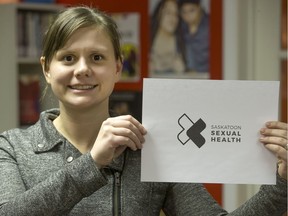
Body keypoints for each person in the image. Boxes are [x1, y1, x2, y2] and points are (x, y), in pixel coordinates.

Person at [0, 5, 287, 215]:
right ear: (47, 69)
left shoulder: (153, 149)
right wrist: (93, 163)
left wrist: (283, 183)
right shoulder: (12, 147)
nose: (83, 69)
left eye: (97, 57)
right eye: (68, 58)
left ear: (116, 68)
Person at [150, 0, 185, 76]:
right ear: (159, 13)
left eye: (176, 14)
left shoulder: (182, 42)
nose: (172, 18)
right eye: (168, 12)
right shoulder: (147, 38)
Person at [178, 0, 210, 73]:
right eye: (184, 12)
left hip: (207, 75)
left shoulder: (210, 25)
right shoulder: (180, 26)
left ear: (199, 8)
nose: (187, 15)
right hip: (186, 74)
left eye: (191, 10)